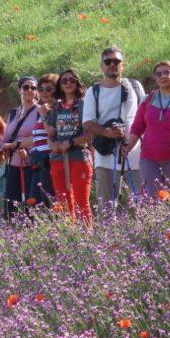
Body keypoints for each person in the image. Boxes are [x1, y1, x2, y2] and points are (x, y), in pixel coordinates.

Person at [83, 47, 145, 212]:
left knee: (143, 205)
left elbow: (144, 117)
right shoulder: (93, 92)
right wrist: (107, 132)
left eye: (116, 61)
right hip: (106, 156)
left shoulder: (135, 87)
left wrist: (132, 143)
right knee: (106, 208)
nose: (112, 64)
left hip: (135, 154)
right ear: (101, 66)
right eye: (108, 61)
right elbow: (87, 122)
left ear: (123, 65)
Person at [125, 60, 170, 198]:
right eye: (159, 74)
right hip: (149, 158)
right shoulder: (147, 100)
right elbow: (137, 127)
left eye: (166, 72)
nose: (163, 76)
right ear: (155, 78)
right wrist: (127, 148)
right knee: (152, 199)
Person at [0, 77, 42, 219]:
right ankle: (11, 231)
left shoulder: (40, 111)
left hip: (31, 163)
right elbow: (6, 137)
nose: (29, 90)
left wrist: (17, 145)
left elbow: (41, 136)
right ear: (19, 90)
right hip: (12, 164)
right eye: (26, 87)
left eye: (33, 87)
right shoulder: (13, 113)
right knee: (10, 205)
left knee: (30, 205)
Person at [46, 69, 93, 223]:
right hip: (58, 158)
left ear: (77, 83)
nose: (68, 83)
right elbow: (51, 133)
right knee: (63, 204)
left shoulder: (84, 105)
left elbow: (90, 134)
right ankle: (68, 235)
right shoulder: (56, 107)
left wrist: (70, 142)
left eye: (72, 80)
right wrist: (52, 145)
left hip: (79, 156)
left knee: (81, 203)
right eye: (64, 81)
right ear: (60, 85)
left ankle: (86, 235)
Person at [26, 73, 59, 208]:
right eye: (41, 89)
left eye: (49, 89)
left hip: (50, 161)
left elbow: (51, 132)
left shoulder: (56, 109)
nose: (44, 92)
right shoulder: (44, 109)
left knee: (47, 201)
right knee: (34, 201)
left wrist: (44, 114)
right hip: (39, 161)